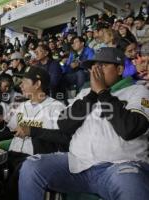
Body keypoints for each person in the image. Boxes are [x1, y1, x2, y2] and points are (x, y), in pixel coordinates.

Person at [18, 47, 149, 200]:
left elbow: (129, 129)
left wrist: (102, 93)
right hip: (77, 164)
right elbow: (64, 124)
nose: (95, 72)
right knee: (31, 167)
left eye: (102, 66)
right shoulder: (85, 93)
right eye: (93, 68)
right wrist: (92, 95)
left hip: (120, 166)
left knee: (131, 186)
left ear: (119, 69)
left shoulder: (137, 91)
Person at [4, 67, 68, 200]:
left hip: (35, 159)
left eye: (24, 82)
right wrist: (0, 123)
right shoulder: (22, 106)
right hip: (13, 155)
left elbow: (62, 138)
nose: (20, 85)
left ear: (38, 84)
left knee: (15, 176)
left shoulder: (56, 107)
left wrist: (33, 131)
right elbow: (12, 129)